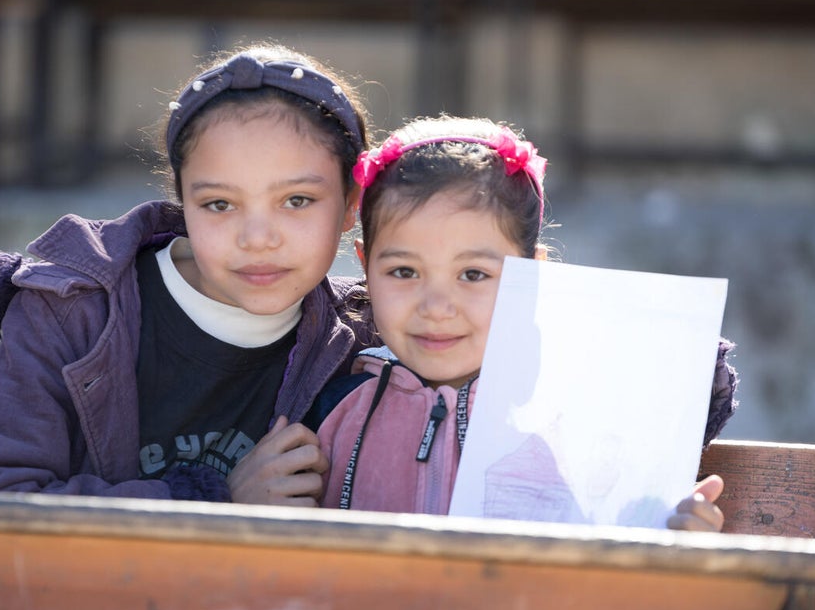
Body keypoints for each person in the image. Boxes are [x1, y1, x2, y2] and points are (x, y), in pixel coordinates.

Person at [0, 43, 376, 506]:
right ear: (184, 201)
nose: (257, 238)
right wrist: (215, 502)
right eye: (220, 204)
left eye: (297, 201)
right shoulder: (75, 310)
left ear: (350, 203)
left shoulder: (366, 341)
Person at [309, 116, 735, 530]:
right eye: (404, 271)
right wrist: (261, 504)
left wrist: (677, 544)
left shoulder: (574, 418)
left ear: (532, 274)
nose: (437, 307)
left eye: (473, 274)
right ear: (365, 265)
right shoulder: (330, 408)